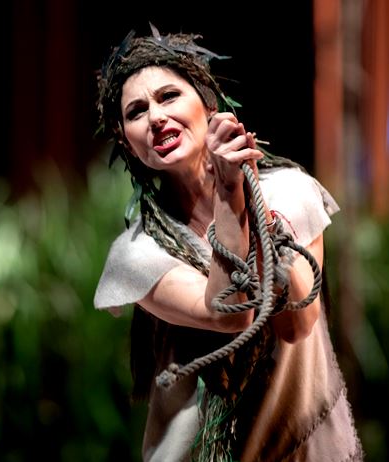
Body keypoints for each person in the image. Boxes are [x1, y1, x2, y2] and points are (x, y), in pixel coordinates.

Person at [93, 26, 362, 462]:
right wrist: (228, 194)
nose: (156, 117)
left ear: (210, 105)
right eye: (137, 111)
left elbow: (296, 324)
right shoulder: (137, 254)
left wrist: (250, 201)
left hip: (308, 449)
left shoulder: (291, 192)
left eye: (168, 96)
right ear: (127, 141)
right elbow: (230, 314)